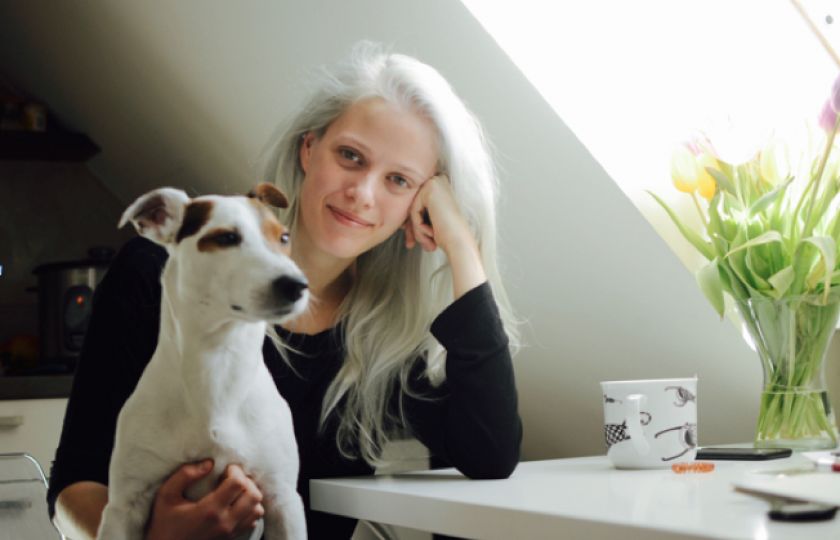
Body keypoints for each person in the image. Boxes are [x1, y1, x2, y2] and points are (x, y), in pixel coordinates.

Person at [47, 41, 522, 539]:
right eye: (350, 156)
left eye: (399, 181)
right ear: (309, 149)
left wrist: (462, 246)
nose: (362, 193)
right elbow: (71, 487)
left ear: (418, 204)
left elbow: (490, 456)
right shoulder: (160, 273)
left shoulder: (388, 335)